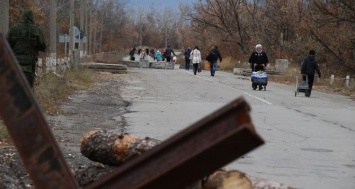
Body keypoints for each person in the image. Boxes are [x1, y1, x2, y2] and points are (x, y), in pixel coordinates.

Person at [6, 9, 46, 89]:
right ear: (32, 18)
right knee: (27, 89)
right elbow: (43, 47)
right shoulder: (36, 30)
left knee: (14, 89)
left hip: (14, 64)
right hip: (29, 65)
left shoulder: (13, 29)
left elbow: (6, 45)